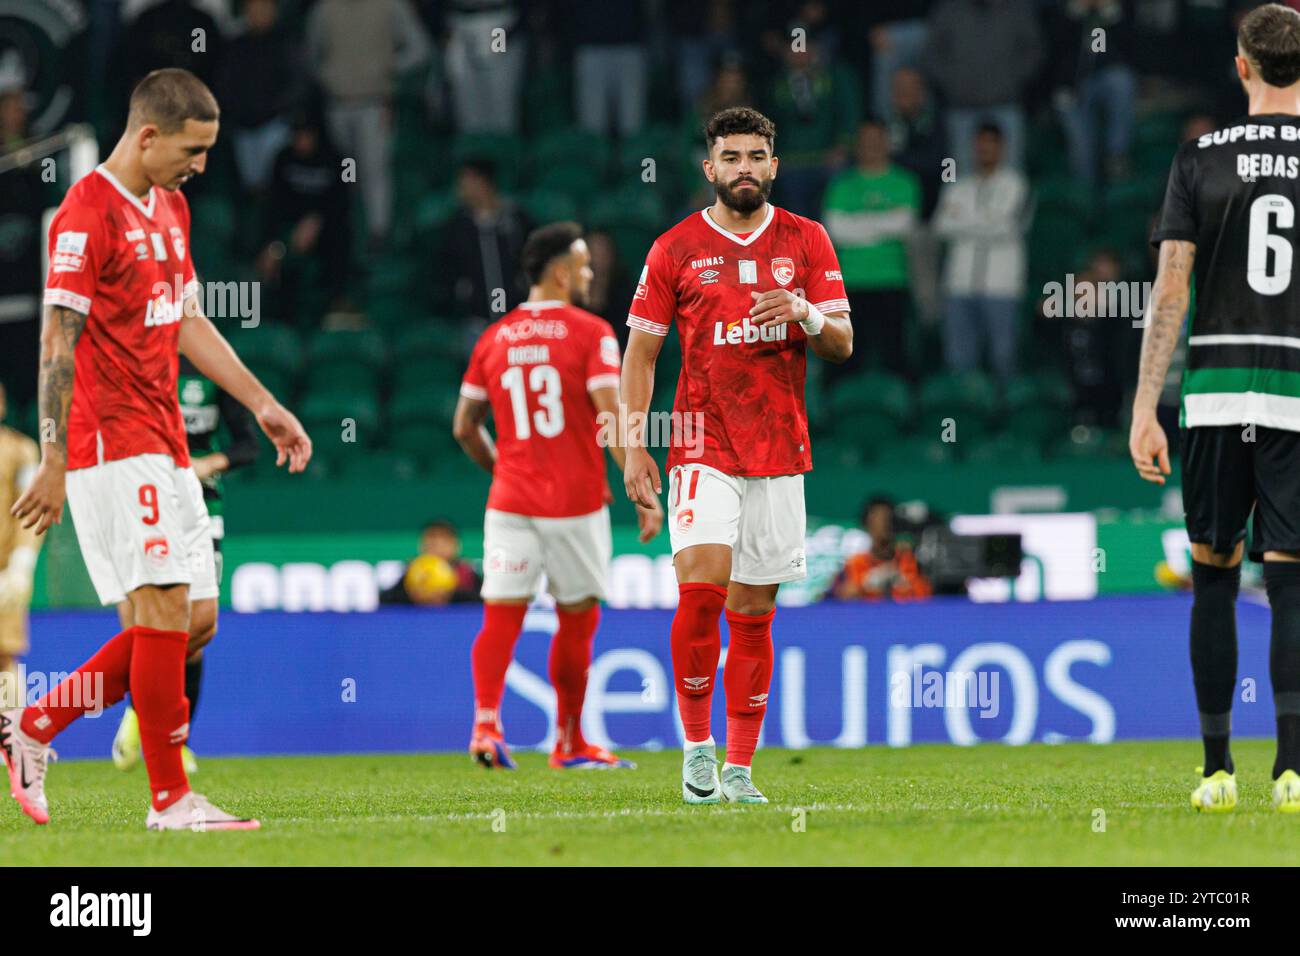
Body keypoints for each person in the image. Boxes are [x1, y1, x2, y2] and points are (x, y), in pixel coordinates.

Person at [1, 68, 312, 831]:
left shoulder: (170, 207)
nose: (202, 165)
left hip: (166, 436)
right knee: (165, 609)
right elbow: (56, 344)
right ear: (147, 135)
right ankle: (171, 800)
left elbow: (186, 321)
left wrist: (263, 403)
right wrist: (53, 456)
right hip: (110, 440)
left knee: (195, 618)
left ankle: (35, 726)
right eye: (193, 148)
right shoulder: (83, 215)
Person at [622, 107, 853, 805]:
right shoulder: (675, 248)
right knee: (701, 593)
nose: (744, 168)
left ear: (774, 166)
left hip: (780, 447)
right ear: (710, 168)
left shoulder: (808, 241)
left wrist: (805, 314)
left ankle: (741, 770)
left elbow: (842, 341)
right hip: (701, 441)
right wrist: (633, 447)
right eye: (732, 157)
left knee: (754, 613)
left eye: (757, 156)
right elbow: (641, 355)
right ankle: (697, 751)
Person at [1130, 3, 1300, 815]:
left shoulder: (1199, 156)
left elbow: (1170, 289)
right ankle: (1294, 773)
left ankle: (1216, 771)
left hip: (1216, 394)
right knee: (1294, 584)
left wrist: (1143, 407)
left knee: (1215, 578)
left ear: (1242, 66)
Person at [453, 221, 663, 770]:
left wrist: (501, 468)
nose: (591, 273)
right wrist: (638, 482)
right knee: (576, 619)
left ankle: (484, 726)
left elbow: (463, 426)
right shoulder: (591, 332)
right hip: (575, 501)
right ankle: (568, 741)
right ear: (562, 272)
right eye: (585, 264)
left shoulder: (493, 338)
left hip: (511, 503)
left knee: (501, 615)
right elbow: (609, 413)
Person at [110, 357, 260, 773]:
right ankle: (141, 715)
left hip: (201, 506)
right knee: (141, 621)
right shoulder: (135, 364)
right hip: (142, 499)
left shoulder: (214, 373)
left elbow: (249, 445)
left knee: (198, 625)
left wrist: (207, 465)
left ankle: (174, 734)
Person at [932, 121, 1031, 384]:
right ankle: (966, 418)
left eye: (991, 144)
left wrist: (964, 220)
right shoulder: (957, 185)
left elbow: (1008, 227)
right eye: (980, 144)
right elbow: (941, 226)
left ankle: (1005, 419)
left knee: (1003, 357)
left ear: (1002, 148)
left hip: (1002, 285)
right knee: (959, 359)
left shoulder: (1016, 184)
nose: (985, 149)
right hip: (959, 283)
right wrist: (988, 220)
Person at [823, 118, 921, 378]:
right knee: (846, 362)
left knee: (895, 359)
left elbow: (904, 225)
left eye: (877, 140)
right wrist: (882, 224)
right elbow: (837, 231)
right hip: (849, 284)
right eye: (866, 141)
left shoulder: (905, 182)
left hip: (891, 280)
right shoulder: (841, 184)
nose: (872, 146)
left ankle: (898, 415)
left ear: (888, 143)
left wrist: (858, 224)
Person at [0, 381, 40, 710]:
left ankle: (13, 740)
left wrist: (22, 562)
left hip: (3, 571)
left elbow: (30, 509)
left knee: (3, 654)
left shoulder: (21, 450)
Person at [832, 496, 931, 602]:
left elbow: (927, 594)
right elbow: (838, 597)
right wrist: (866, 583)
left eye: (887, 518)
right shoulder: (855, 563)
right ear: (866, 524)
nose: (883, 524)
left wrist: (904, 583)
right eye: (877, 518)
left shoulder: (909, 559)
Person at [380, 518, 481, 605]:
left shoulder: (465, 572)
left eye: (443, 538)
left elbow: (484, 600)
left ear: (456, 545)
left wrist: (450, 595)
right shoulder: (414, 571)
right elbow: (385, 600)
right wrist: (411, 595)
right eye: (432, 538)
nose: (437, 544)